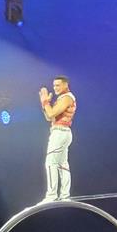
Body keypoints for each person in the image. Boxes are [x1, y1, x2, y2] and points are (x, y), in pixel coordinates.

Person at [39, 75, 77, 203]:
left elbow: (51, 113)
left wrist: (45, 102)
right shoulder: (61, 98)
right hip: (61, 132)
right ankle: (65, 195)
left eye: (58, 85)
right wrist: (45, 104)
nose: (55, 88)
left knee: (51, 163)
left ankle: (51, 195)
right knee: (62, 164)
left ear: (65, 85)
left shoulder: (66, 98)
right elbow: (49, 118)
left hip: (60, 133)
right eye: (54, 85)